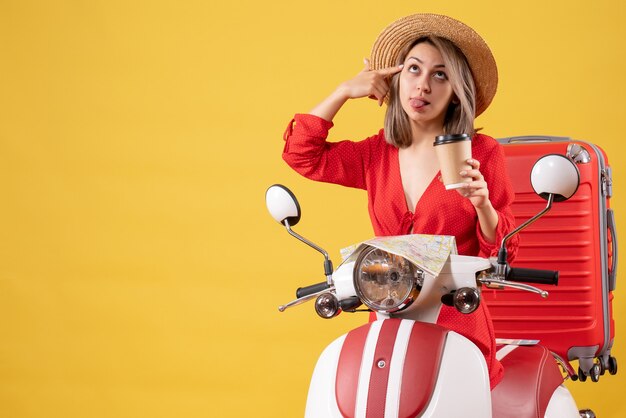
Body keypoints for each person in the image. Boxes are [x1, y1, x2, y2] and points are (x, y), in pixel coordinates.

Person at [281, 13, 518, 389]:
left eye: (440, 75)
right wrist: (344, 90)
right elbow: (302, 154)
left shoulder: (481, 153)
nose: (422, 85)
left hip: (456, 322)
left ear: (457, 89)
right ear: (396, 77)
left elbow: (502, 249)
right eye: (413, 69)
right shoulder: (377, 153)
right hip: (388, 320)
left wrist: (482, 203)